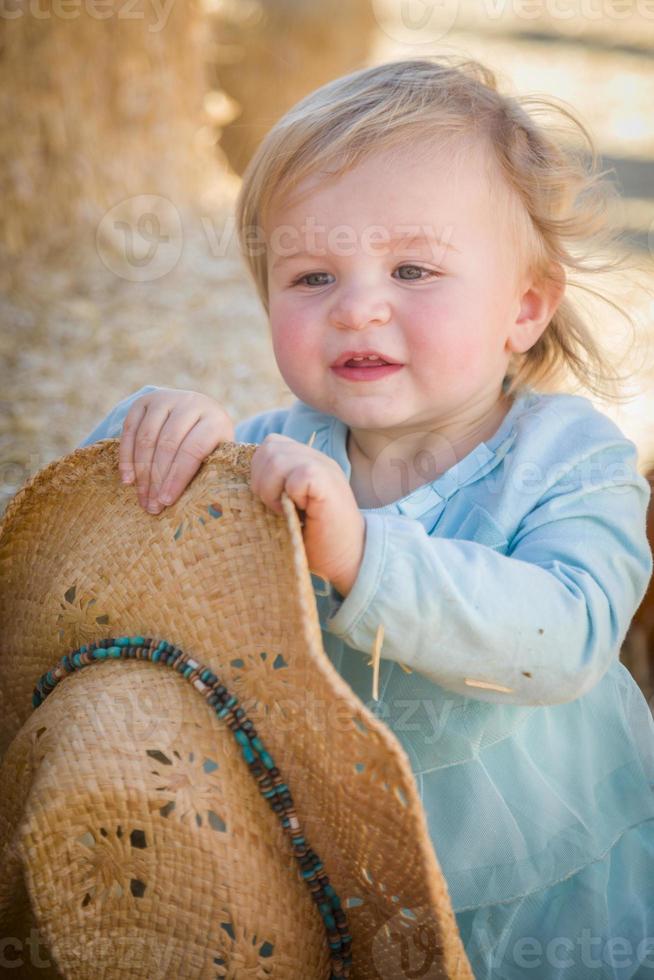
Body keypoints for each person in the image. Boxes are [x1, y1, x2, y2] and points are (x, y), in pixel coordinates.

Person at [77, 57, 654, 979]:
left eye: (413, 268)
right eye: (310, 277)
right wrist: (146, 441)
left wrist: (366, 554)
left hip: (545, 899)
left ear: (526, 306)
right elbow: (94, 573)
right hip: (326, 879)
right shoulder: (271, 457)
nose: (356, 308)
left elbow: (568, 632)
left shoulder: (570, 459)